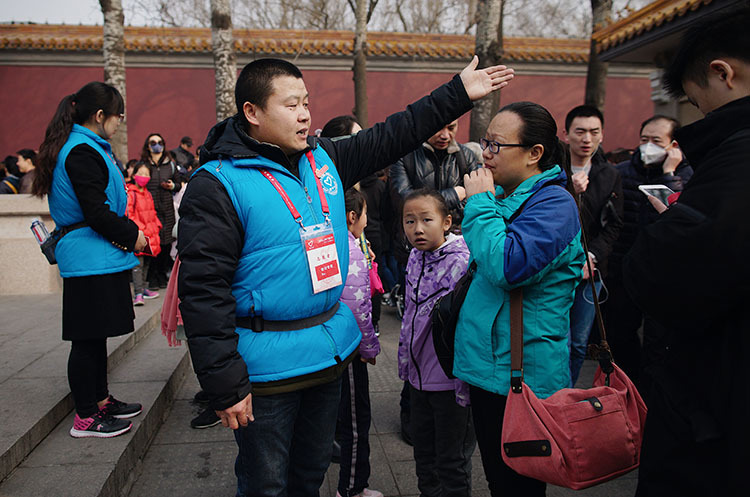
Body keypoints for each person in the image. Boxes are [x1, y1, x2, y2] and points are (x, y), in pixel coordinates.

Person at [177, 56, 513, 497]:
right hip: (265, 369)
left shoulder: (325, 159)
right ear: (252, 113)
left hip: (327, 353)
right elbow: (203, 291)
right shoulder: (217, 183)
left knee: (310, 476)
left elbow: (395, 133)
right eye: (291, 104)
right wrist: (223, 382)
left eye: (307, 102)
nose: (304, 114)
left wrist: (457, 94)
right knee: (266, 484)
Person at [623, 8, 750, 496]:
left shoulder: (736, 162)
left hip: (715, 414)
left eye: (698, 106)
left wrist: (672, 222)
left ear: (722, 73)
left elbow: (661, 273)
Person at [453, 101, 584, 496]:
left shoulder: (555, 205)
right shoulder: (509, 195)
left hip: (521, 375)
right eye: (484, 143)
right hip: (492, 368)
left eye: (495, 145)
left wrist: (478, 203)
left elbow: (507, 267)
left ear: (534, 154)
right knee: (499, 478)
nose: (485, 154)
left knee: (518, 486)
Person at [31, 81, 147, 438]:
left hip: (95, 254)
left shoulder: (88, 146)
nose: (119, 124)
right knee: (86, 339)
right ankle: (85, 416)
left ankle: (100, 400)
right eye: (118, 117)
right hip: (88, 255)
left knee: (95, 336)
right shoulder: (82, 151)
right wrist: (133, 235)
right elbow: (96, 211)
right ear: (100, 116)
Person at [602, 113, 693, 387]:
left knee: (658, 341)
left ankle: (650, 396)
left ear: (673, 145)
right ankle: (630, 389)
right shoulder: (622, 172)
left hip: (665, 276)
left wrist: (670, 175)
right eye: (644, 139)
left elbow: (678, 221)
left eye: (656, 140)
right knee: (619, 335)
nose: (648, 146)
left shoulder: (688, 176)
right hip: (625, 270)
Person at [399, 188, 476, 497]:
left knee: (451, 461)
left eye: (426, 220)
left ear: (446, 222)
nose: (417, 229)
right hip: (417, 380)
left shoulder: (463, 261)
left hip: (450, 383)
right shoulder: (415, 257)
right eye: (409, 221)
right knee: (424, 456)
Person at [562, 105, 623, 386]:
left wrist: (592, 255)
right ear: (566, 134)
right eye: (580, 131)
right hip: (557, 267)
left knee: (577, 343)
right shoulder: (552, 170)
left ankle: (567, 396)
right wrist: (569, 191)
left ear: (601, 136)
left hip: (590, 272)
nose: (587, 138)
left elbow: (614, 224)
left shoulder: (609, 174)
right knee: (551, 340)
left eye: (594, 132)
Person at [337, 188, 381, 497]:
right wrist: (369, 347)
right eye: (365, 214)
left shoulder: (334, 241)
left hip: (327, 348)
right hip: (349, 349)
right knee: (355, 423)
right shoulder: (350, 249)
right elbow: (358, 306)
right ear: (353, 217)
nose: (367, 220)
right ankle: (352, 488)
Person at [140, 133, 181, 290]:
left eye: (159, 142)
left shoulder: (169, 164)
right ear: (148, 146)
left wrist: (172, 186)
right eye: (153, 142)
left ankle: (162, 273)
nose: (156, 145)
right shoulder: (144, 164)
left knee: (166, 242)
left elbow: (178, 183)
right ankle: (153, 276)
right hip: (149, 209)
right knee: (153, 242)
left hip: (167, 209)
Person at [126, 162, 162, 306]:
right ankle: (138, 293)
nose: (144, 176)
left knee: (147, 263)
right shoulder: (131, 193)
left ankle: (144, 288)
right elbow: (130, 214)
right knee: (137, 265)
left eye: (147, 174)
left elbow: (152, 212)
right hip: (140, 234)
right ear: (134, 175)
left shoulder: (147, 193)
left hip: (150, 234)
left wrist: (156, 225)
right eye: (141, 173)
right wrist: (142, 229)